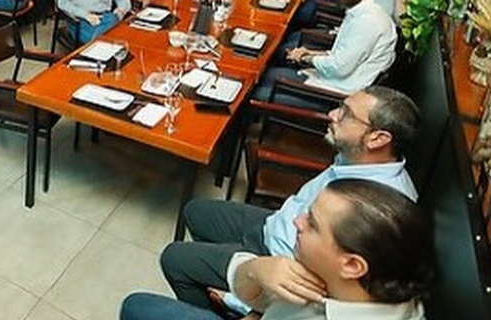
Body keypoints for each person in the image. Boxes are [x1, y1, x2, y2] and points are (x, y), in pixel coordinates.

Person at [154, 85, 420, 314]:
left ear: (378, 138)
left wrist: (246, 301)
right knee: (195, 211)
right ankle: (218, 270)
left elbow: (330, 283)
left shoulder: (380, 206)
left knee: (175, 259)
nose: (333, 114)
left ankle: (220, 308)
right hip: (275, 225)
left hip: (281, 258)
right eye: (341, 106)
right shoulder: (359, 158)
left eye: (346, 114)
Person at [128, 178, 432, 320]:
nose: (297, 222)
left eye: (312, 224)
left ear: (352, 264)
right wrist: (257, 269)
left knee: (136, 306)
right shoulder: (358, 286)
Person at [264, 0, 397, 99]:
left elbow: (339, 68)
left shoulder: (368, 22)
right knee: (269, 73)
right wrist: (310, 53)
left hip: (334, 95)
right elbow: (343, 55)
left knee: (258, 90)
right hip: (332, 80)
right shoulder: (363, 12)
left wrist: (305, 58)